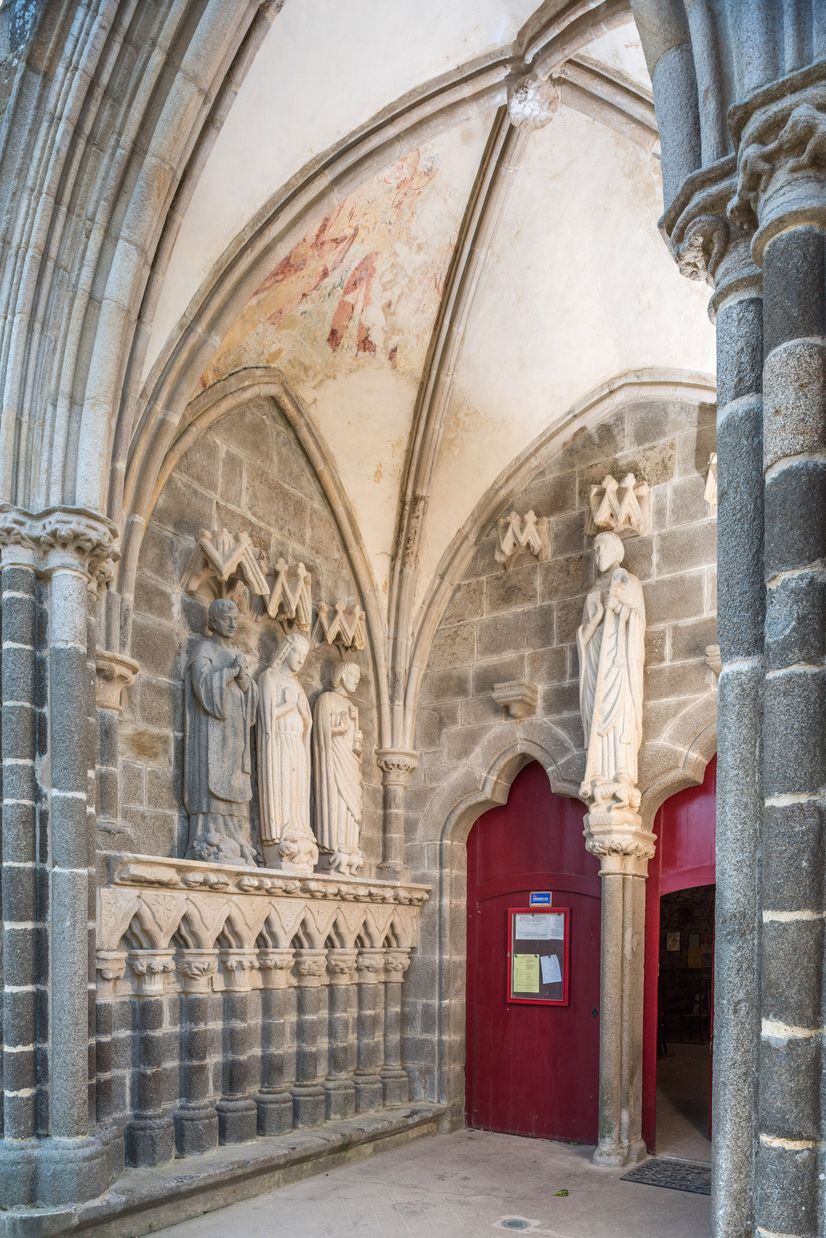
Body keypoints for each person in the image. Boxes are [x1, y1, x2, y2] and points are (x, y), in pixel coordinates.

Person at [183, 598, 259, 865]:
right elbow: (202, 685)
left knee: (234, 784)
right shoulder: (204, 649)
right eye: (227, 619)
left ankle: (236, 839)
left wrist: (244, 678)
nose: (232, 624)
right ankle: (208, 839)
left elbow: (251, 697)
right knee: (212, 784)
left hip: (235, 734)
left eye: (236, 619)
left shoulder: (235, 653)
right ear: (213, 621)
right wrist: (229, 672)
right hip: (211, 734)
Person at [576, 531, 646, 813]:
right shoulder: (593, 594)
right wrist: (595, 620)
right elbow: (583, 638)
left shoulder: (629, 583)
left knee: (622, 715)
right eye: (594, 551)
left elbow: (637, 621)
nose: (598, 555)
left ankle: (622, 773)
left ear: (617, 552)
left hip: (620, 666)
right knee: (598, 715)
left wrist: (617, 605)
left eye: (602, 549)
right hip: (598, 668)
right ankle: (597, 774)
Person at [256, 631, 318, 873]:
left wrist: (304, 717)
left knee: (297, 792)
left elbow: (308, 724)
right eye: (297, 653)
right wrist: (288, 705)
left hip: (297, 746)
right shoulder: (269, 678)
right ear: (286, 652)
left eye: (304, 655)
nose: (301, 659)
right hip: (279, 745)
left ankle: (298, 831)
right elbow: (266, 719)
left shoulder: (297, 685)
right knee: (282, 787)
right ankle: (281, 836)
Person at [312, 661, 365, 876]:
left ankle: (350, 847)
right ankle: (335, 847)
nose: (356, 681)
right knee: (338, 799)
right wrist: (338, 730)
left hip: (349, 762)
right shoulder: (326, 699)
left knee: (352, 803)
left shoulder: (352, 707)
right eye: (353, 675)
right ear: (341, 675)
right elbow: (320, 731)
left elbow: (355, 747)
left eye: (359, 678)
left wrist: (357, 742)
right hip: (333, 759)